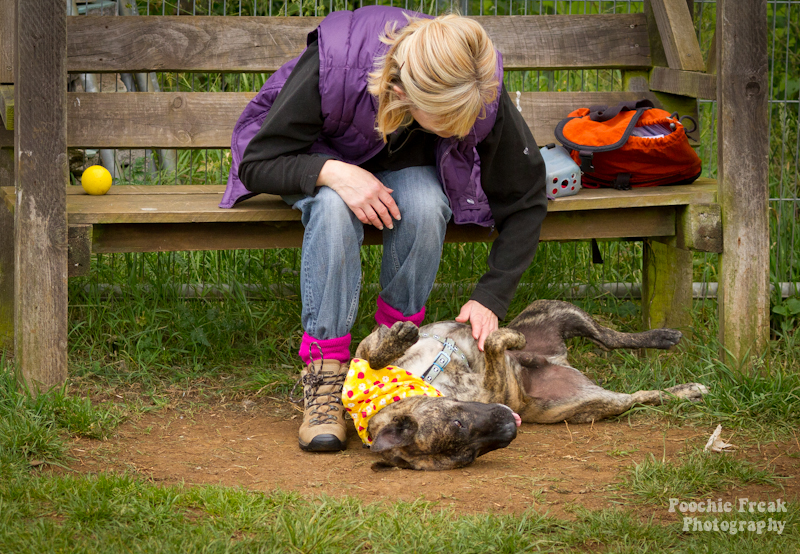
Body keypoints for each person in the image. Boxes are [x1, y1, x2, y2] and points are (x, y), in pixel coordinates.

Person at [220, 6, 547, 452]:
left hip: (400, 167)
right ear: (400, 91)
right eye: (451, 120)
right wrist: (334, 172)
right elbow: (258, 162)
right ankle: (325, 376)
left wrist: (491, 295)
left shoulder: (474, 83)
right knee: (334, 208)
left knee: (426, 203)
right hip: (312, 158)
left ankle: (396, 358)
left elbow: (526, 197)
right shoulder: (336, 64)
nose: (465, 129)